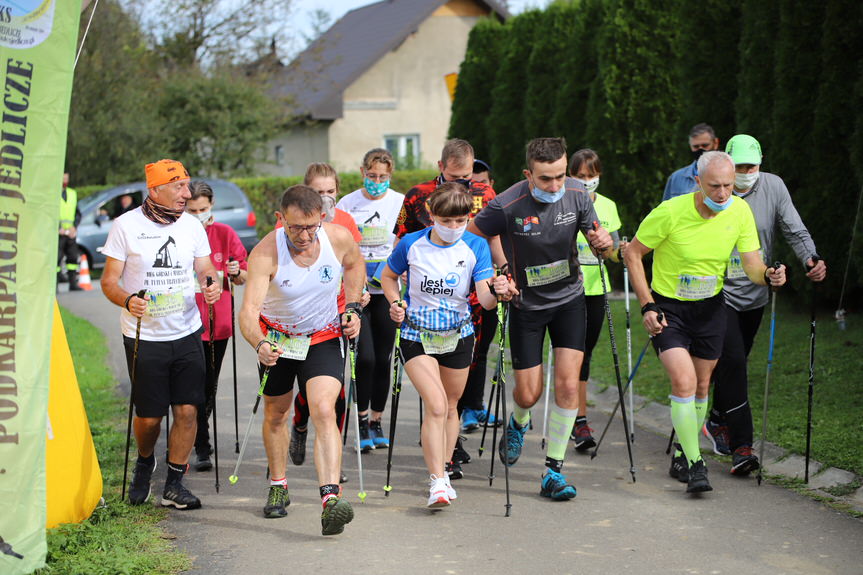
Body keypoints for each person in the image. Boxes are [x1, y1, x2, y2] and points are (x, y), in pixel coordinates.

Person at [624, 151, 786, 494]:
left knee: (700, 387)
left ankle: (683, 451)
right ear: (698, 182)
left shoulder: (739, 211)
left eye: (729, 186)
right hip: (669, 308)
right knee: (683, 382)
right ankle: (697, 464)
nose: (724, 193)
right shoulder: (670, 212)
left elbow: (753, 266)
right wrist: (646, 305)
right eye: (715, 186)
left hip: (711, 308)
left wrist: (769, 275)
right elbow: (633, 253)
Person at [468, 137, 613, 500]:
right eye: (546, 178)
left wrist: (604, 243)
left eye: (560, 176)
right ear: (528, 174)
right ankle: (519, 422)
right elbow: (474, 236)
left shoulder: (578, 195)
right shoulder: (507, 203)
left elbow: (601, 242)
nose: (555, 186)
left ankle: (553, 471)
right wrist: (499, 270)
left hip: (569, 300)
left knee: (567, 386)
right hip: (526, 306)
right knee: (529, 394)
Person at [239, 185, 364, 536]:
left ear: (321, 218)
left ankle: (330, 500)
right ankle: (278, 483)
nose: (305, 235)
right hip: (278, 339)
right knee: (277, 414)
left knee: (324, 407)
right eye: (296, 228)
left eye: (311, 226)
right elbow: (248, 312)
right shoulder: (266, 253)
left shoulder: (337, 238)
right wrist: (259, 342)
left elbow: (355, 266)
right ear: (281, 220)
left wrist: (352, 307)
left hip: (323, 336)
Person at [101, 159, 221, 509]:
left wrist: (210, 283)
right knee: (150, 417)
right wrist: (128, 300)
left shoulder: (192, 227)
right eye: (179, 186)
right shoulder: (125, 226)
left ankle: (174, 483)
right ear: (155, 190)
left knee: (187, 411)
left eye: (187, 185)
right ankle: (144, 460)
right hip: (144, 335)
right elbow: (109, 282)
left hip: (186, 331)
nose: (187, 193)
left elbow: (205, 267)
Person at [704, 135, 826, 475]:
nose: (745, 173)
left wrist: (810, 259)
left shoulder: (773, 187)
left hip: (756, 290)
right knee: (733, 362)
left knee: (734, 360)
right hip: (717, 292)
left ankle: (716, 419)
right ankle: (743, 446)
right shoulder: (715, 189)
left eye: (751, 167)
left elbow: (794, 230)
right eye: (738, 167)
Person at [381, 183, 508, 507]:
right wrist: (396, 303)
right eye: (447, 221)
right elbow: (387, 277)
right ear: (432, 216)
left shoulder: (476, 247)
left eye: (461, 221)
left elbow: (484, 300)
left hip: (458, 334)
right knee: (436, 404)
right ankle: (437, 481)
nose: (454, 228)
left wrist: (498, 289)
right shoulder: (411, 244)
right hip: (416, 334)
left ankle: (446, 469)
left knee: (451, 407)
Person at [395, 139, 501, 476]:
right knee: (436, 399)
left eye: (467, 178)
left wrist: (502, 283)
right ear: (441, 167)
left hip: (470, 303)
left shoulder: (487, 195)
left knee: (470, 367)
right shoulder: (417, 196)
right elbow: (402, 242)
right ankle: (441, 459)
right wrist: (399, 294)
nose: (461, 185)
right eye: (454, 177)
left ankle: (456, 432)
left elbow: (494, 241)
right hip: (424, 307)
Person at [288, 163, 363, 471]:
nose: (326, 198)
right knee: (309, 391)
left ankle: (334, 460)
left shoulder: (345, 222)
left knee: (336, 394)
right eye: (319, 193)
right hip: (301, 320)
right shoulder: (296, 226)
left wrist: (357, 299)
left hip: (338, 317)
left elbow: (354, 264)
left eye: (331, 192)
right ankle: (300, 424)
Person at [336, 149, 405, 452]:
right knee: (364, 359)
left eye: (384, 177)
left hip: (387, 289)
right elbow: (340, 244)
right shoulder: (348, 203)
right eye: (372, 176)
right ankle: (361, 419)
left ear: (390, 176)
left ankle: (377, 419)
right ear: (362, 171)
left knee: (383, 359)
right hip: (358, 291)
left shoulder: (399, 202)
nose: (378, 182)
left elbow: (403, 240)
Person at [184, 181, 249, 471]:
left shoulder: (224, 233)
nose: (199, 214)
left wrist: (235, 272)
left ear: (211, 206)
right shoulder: (181, 234)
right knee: (191, 387)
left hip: (217, 323)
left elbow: (243, 274)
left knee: (208, 386)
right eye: (193, 209)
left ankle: (198, 435)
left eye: (203, 209)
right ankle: (201, 445)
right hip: (185, 323)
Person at [567, 149, 625, 451]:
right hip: (567, 290)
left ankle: (578, 418)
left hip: (595, 290)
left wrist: (620, 251)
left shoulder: (609, 207)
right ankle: (575, 418)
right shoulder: (562, 202)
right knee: (571, 354)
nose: (586, 182)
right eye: (579, 176)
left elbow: (613, 252)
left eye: (591, 176)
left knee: (585, 354)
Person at [663, 123, 720, 202]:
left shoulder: (728, 174)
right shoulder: (676, 178)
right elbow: (665, 210)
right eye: (696, 147)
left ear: (715, 143)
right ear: (690, 146)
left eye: (705, 145)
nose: (700, 149)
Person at [58, 172, 82, 290]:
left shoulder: (72, 193)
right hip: (58, 234)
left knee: (72, 258)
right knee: (57, 259)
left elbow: (77, 214)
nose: (65, 181)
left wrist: (74, 226)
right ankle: (55, 286)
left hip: (70, 233)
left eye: (67, 178)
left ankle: (73, 284)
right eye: (63, 178)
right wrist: (57, 228)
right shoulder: (53, 194)